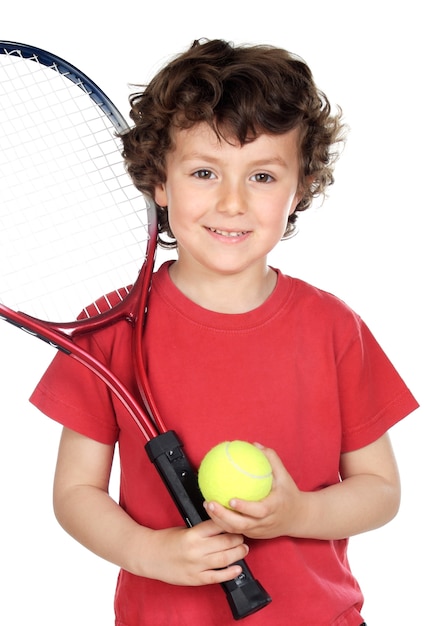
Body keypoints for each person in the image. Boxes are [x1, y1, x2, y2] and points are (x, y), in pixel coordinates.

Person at [30, 38, 419, 625]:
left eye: (262, 175)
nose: (232, 202)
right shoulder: (112, 325)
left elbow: (380, 491)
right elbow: (74, 494)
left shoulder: (334, 328)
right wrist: (150, 552)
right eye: (205, 172)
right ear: (159, 183)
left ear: (301, 189)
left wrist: (296, 515)